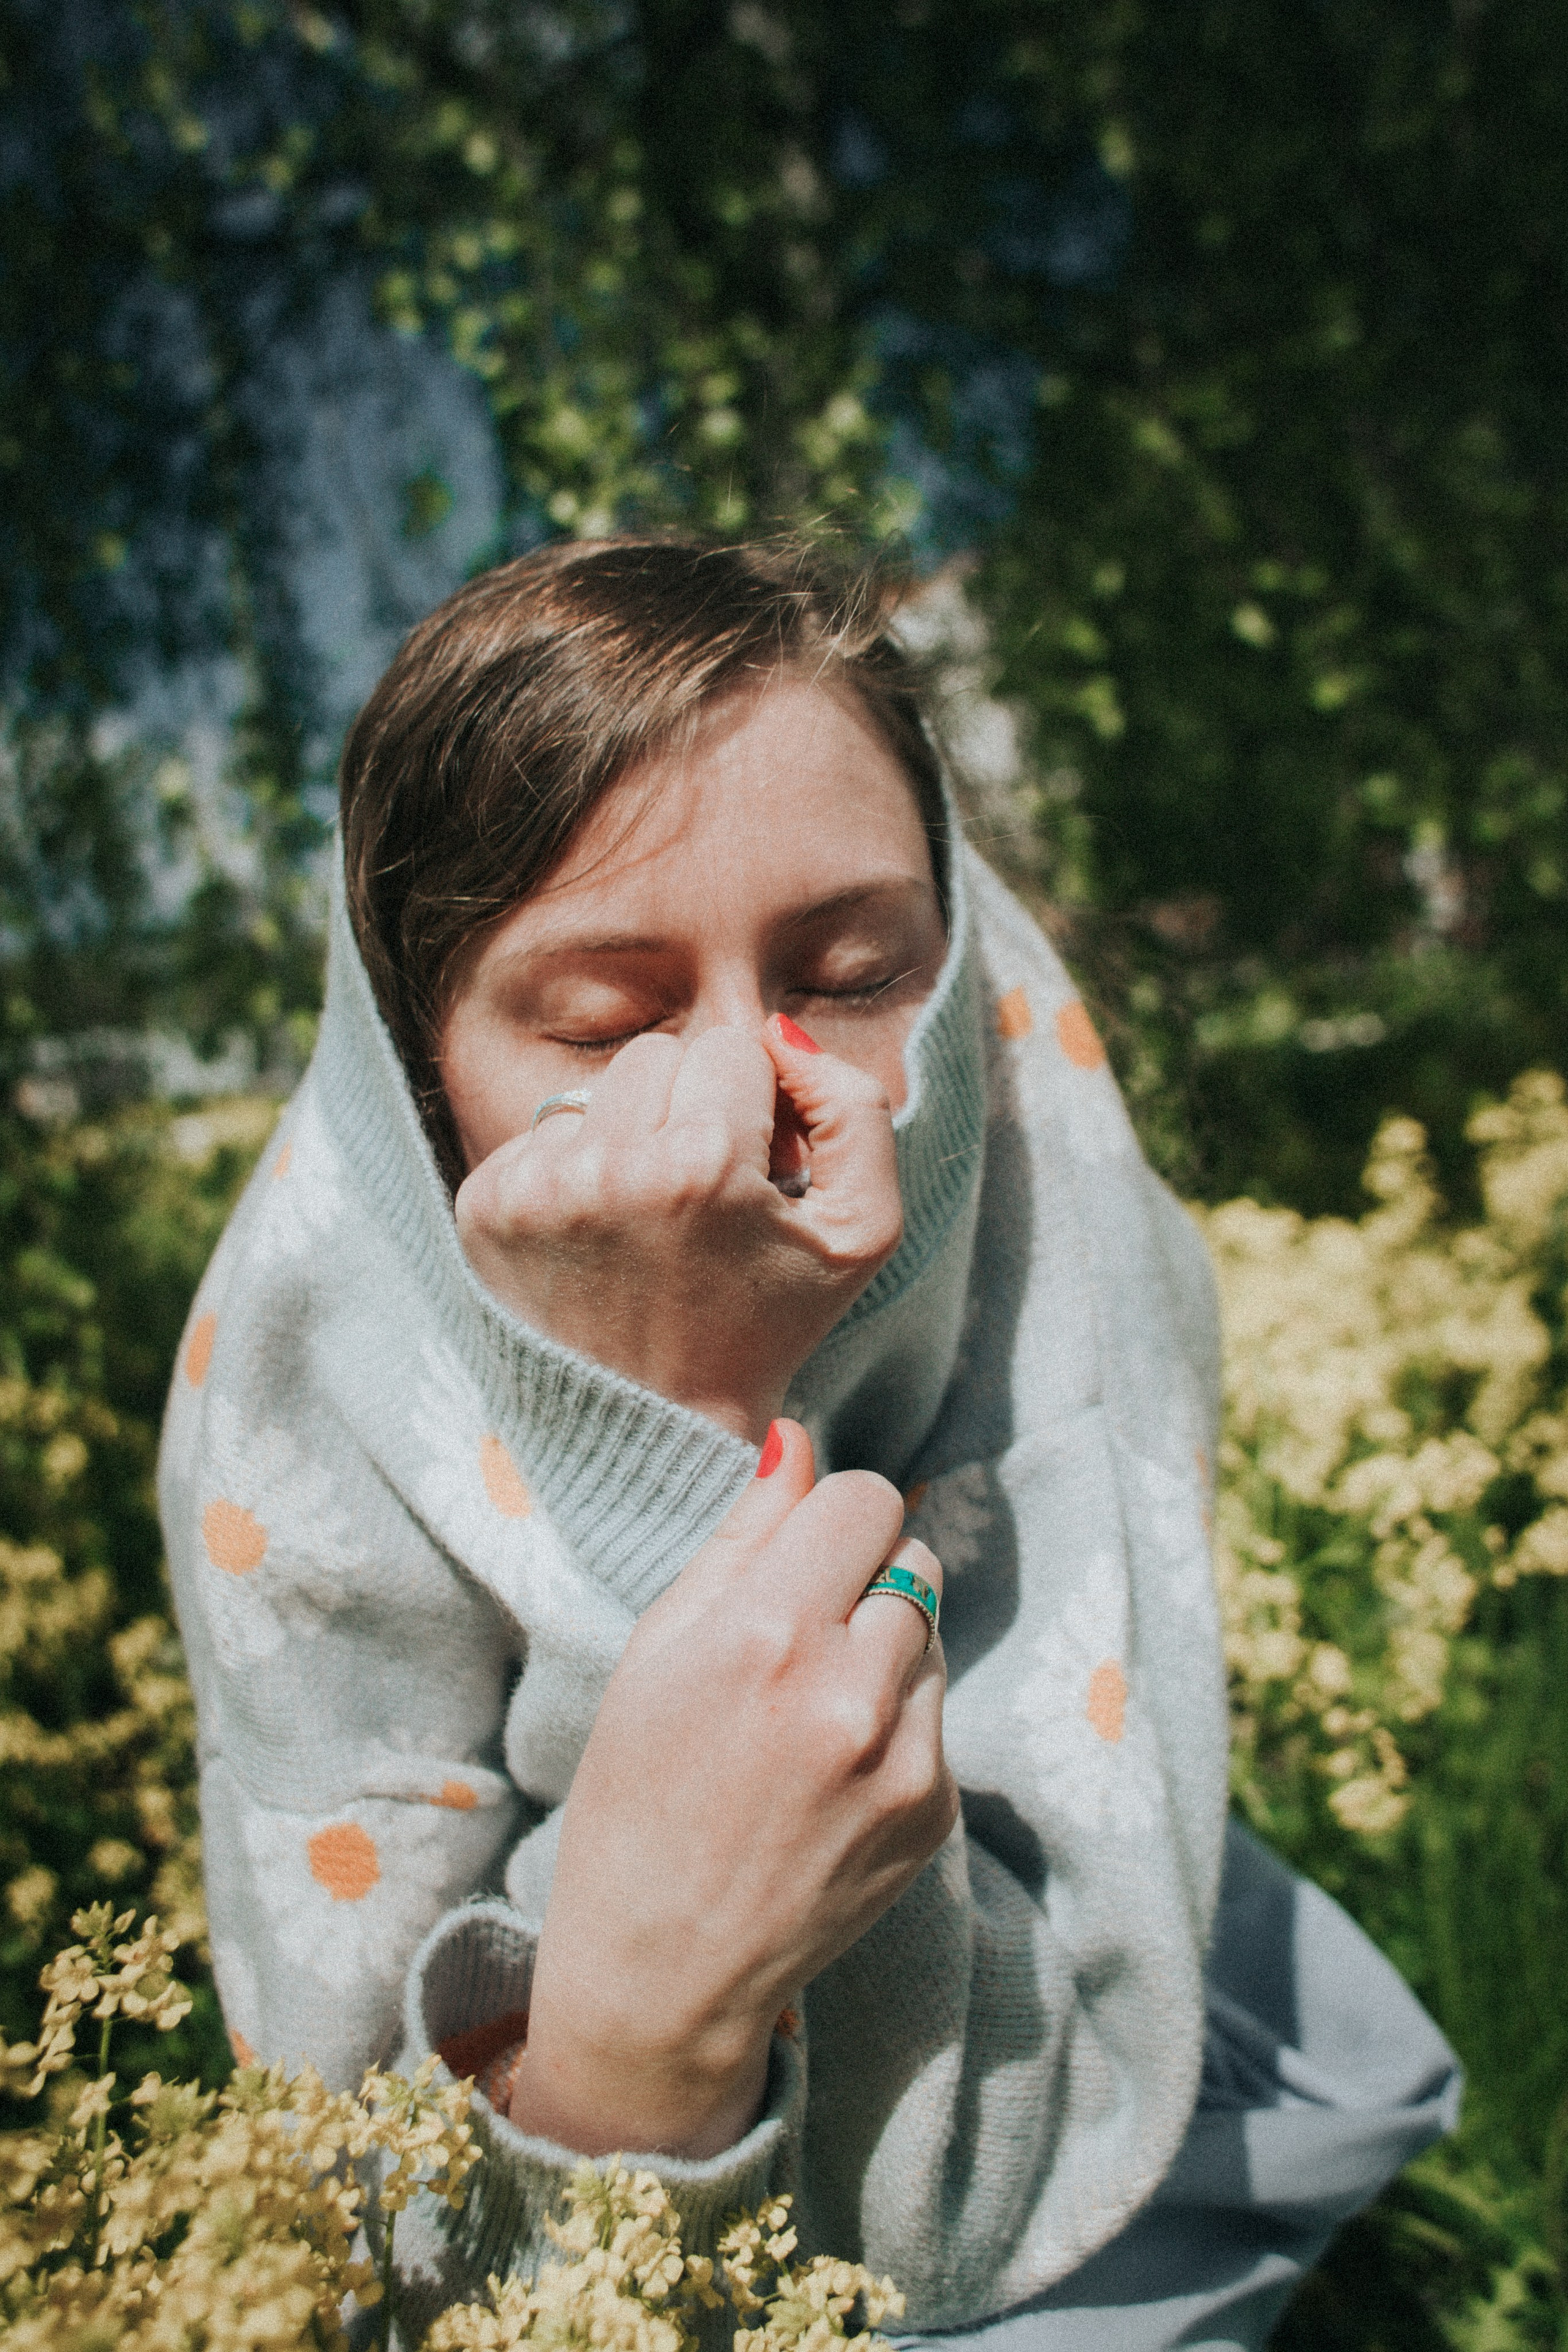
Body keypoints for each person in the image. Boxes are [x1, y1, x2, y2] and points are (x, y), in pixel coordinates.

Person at [160, 537, 1459, 2351]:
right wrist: (665, 1424)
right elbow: (391, 2237)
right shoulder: (303, 1376)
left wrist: (698, 1430)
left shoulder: (1046, 1224)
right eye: (605, 1023)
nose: (737, 1102)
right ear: (415, 1070)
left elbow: (950, 2215)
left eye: (851, 977)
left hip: (1050, 2117)